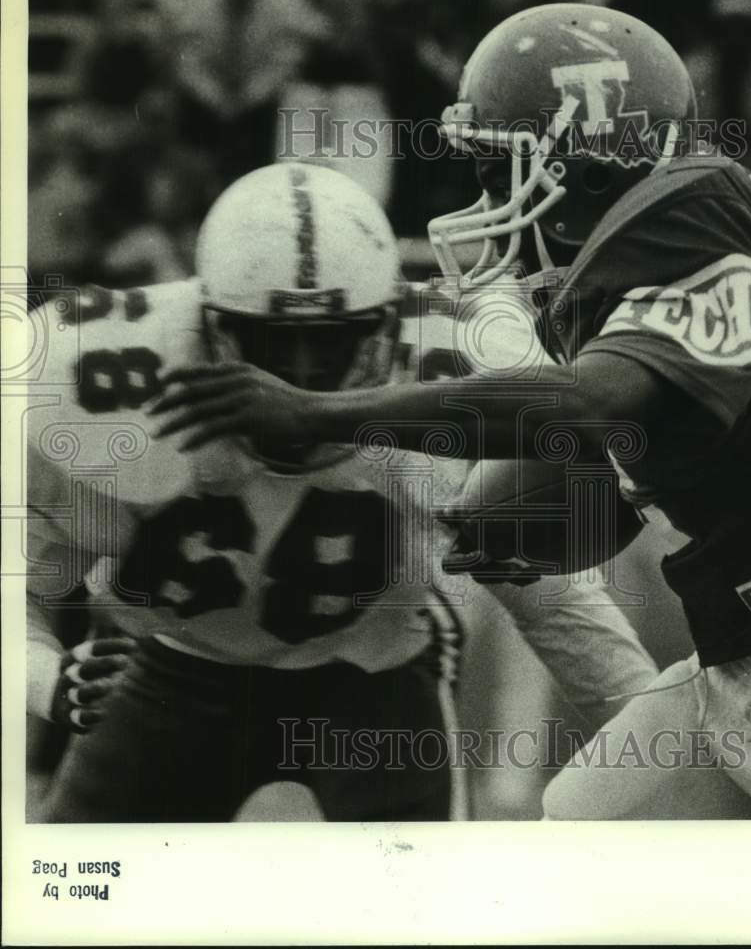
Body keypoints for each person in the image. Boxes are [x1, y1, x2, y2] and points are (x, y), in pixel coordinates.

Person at [151, 3, 751, 820]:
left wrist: (321, 414)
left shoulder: (686, 215)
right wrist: (514, 524)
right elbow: (640, 460)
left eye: (502, 166)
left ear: (588, 160)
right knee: (578, 828)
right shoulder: (661, 239)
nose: (487, 192)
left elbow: (591, 407)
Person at [26, 161, 659, 823]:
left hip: (371, 673)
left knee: (418, 913)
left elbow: (555, 606)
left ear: (386, 328)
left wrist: (661, 757)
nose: (300, 376)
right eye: (273, 344)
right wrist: (50, 681)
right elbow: (24, 591)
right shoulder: (110, 380)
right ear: (212, 329)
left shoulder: (443, 374)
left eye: (330, 344)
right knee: (79, 902)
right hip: (172, 671)